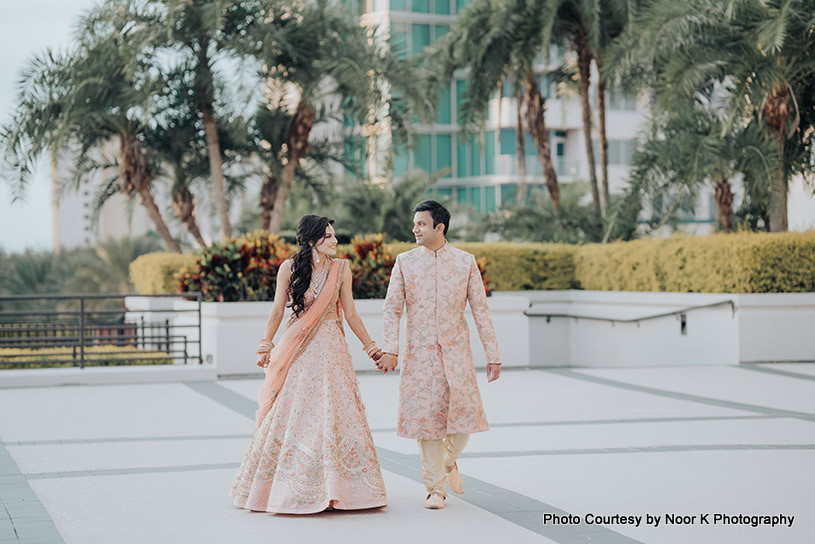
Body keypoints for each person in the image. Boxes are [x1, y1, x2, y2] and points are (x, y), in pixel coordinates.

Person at [229, 215, 387, 514]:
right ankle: (291, 486)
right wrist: (266, 343)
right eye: (329, 236)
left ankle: (339, 490)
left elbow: (351, 314)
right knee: (298, 410)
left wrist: (372, 348)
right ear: (312, 239)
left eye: (334, 235)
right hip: (299, 348)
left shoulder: (341, 269)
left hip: (331, 348)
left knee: (334, 410)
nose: (335, 240)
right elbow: (278, 308)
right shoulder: (289, 268)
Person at [377, 200, 502, 510]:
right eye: (415, 223)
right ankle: (435, 489)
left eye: (421, 224)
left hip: (457, 353)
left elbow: (480, 310)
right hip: (419, 355)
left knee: (465, 419)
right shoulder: (405, 261)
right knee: (427, 422)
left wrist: (493, 354)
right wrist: (390, 349)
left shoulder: (465, 262)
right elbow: (392, 309)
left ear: (439, 227)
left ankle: (447, 461)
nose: (415, 229)